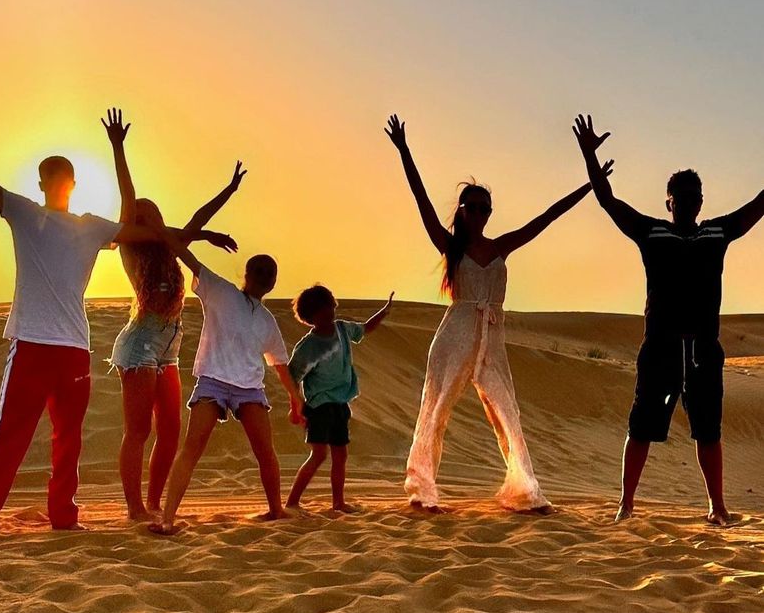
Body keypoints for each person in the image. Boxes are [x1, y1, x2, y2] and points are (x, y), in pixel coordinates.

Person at [0, 109, 168, 543]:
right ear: (52, 184)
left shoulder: (83, 226)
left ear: (62, 183)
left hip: (69, 348)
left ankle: (59, 516)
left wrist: (120, 150)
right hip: (37, 344)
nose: (56, 184)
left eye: (58, 178)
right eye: (53, 178)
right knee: (15, 435)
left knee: (63, 440)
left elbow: (134, 223)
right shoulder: (27, 214)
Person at [385, 113, 610, 513]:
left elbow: (548, 217)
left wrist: (592, 181)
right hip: (455, 333)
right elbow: (420, 201)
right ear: (462, 211)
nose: (478, 213)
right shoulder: (449, 245)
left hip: (492, 335)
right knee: (436, 408)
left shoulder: (502, 245)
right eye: (472, 207)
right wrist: (404, 151)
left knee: (508, 411)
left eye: (484, 208)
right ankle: (423, 489)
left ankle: (524, 490)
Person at [573, 113, 764, 525]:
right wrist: (590, 155)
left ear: (701, 201)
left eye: (695, 196)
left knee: (708, 430)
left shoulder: (716, 233)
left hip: (703, 351)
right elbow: (607, 200)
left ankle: (718, 507)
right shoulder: (652, 232)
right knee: (642, 425)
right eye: (680, 196)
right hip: (659, 348)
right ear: (669, 202)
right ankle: (626, 504)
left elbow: (758, 206)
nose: (688, 202)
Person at [107, 148, 245, 521]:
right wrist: (120, 148)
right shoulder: (132, 248)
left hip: (170, 345)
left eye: (151, 213)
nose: (147, 218)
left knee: (170, 429)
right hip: (140, 345)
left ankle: (153, 502)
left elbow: (197, 219)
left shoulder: (170, 247)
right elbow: (126, 196)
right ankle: (135, 508)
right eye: (140, 215)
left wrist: (228, 192)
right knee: (138, 430)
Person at [150, 250, 305, 534]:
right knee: (192, 447)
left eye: (269, 274)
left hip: (249, 388)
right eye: (259, 271)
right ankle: (168, 518)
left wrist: (297, 398)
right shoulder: (221, 291)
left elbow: (280, 364)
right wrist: (195, 237)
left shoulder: (267, 320)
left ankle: (276, 509)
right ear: (247, 274)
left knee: (265, 451)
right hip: (213, 381)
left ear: (273, 282)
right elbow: (189, 258)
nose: (264, 278)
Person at [286, 285, 394, 512]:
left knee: (340, 454)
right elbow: (292, 377)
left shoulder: (343, 330)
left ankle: (338, 503)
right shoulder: (308, 346)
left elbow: (365, 329)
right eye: (320, 311)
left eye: (329, 307)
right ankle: (292, 502)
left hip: (340, 403)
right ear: (309, 317)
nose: (328, 314)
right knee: (318, 455)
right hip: (319, 406)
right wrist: (295, 406)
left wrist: (384, 311)